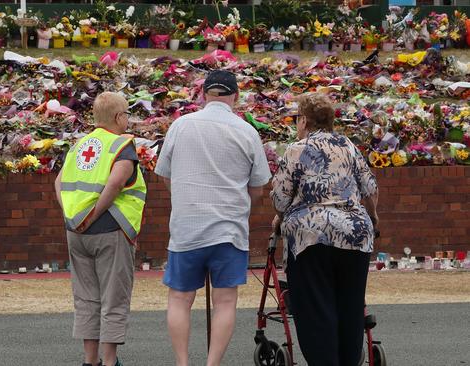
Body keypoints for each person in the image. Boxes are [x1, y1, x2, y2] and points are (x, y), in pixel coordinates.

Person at [155, 70, 272, 366]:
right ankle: (212, 363)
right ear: (235, 96)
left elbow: (166, 176)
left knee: (180, 299)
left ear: (204, 94)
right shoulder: (246, 131)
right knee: (225, 302)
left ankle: (182, 363)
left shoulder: (180, 126)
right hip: (228, 229)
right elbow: (258, 188)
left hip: (187, 227)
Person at [270, 92, 379, 366]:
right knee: (351, 308)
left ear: (304, 120)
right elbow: (371, 188)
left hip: (311, 237)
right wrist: (374, 218)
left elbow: (280, 197)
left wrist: (280, 218)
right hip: (354, 234)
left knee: (316, 309)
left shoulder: (297, 149)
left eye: (297, 119)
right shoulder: (349, 147)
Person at [55, 92, 147, 366]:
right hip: (109, 231)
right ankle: (109, 362)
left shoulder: (78, 145)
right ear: (119, 117)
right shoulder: (121, 146)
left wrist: (74, 217)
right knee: (113, 299)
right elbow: (117, 182)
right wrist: (93, 216)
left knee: (86, 299)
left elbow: (59, 183)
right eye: (127, 113)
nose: (128, 118)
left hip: (76, 233)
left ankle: (89, 361)